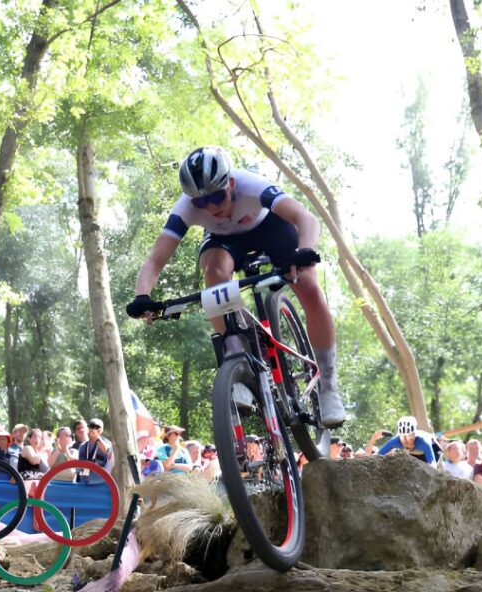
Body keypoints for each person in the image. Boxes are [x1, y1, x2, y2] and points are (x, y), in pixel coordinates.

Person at [125, 146, 345, 427]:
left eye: (216, 196)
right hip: (225, 241)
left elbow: (306, 218)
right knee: (214, 271)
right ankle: (236, 352)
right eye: (201, 203)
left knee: (310, 287)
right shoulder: (186, 208)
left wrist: (305, 250)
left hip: (270, 227)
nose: (211, 207)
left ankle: (328, 383)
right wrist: (142, 296)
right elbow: (155, 260)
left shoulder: (252, 186)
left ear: (230, 183)